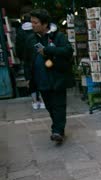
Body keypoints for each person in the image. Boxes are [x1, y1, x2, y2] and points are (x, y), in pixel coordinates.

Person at [24, 9, 74, 143]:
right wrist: (28, 78)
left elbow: (68, 50)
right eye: (32, 22)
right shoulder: (31, 39)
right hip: (41, 79)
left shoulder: (58, 36)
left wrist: (48, 50)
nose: (32, 25)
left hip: (57, 77)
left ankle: (57, 131)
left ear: (45, 24)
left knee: (59, 105)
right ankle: (58, 129)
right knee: (50, 107)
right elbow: (27, 60)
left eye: (36, 22)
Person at [16, 13, 45, 110]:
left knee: (30, 80)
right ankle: (41, 100)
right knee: (40, 78)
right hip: (37, 57)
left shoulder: (20, 32)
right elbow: (39, 46)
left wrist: (21, 57)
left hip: (26, 59)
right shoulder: (35, 32)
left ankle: (34, 101)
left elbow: (18, 47)